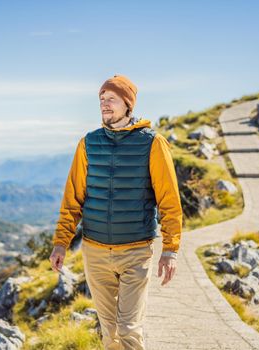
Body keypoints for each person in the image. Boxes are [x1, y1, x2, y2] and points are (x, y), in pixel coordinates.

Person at [49, 74, 183, 350]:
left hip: (135, 252)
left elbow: (169, 200)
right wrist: (61, 242)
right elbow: (72, 199)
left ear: (128, 104)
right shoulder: (88, 144)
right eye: (101, 99)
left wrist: (170, 249)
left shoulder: (153, 143)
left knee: (129, 331)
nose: (104, 104)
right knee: (110, 336)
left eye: (111, 99)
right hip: (95, 253)